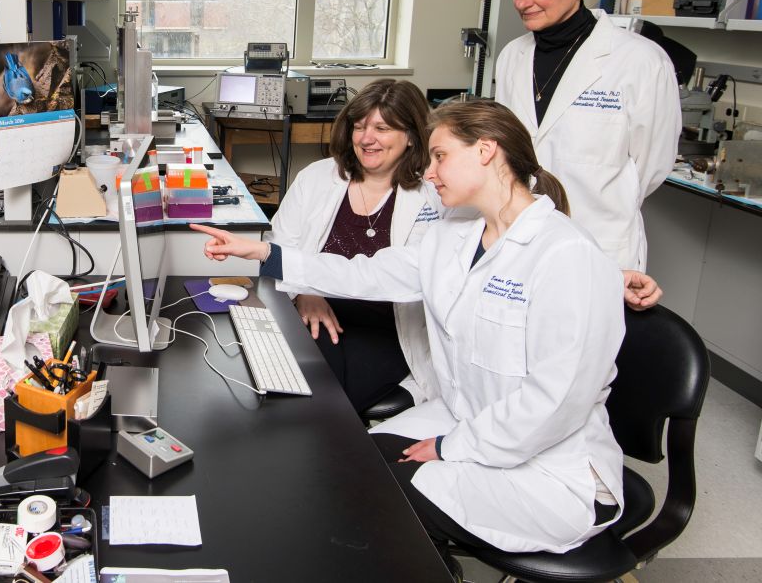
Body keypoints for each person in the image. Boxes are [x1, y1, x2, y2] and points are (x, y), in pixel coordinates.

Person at [191, 101, 663, 559]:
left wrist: (449, 448)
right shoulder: (452, 237)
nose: (429, 171)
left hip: (551, 471)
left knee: (372, 497)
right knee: (344, 462)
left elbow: (553, 403)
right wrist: (262, 254)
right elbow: (365, 273)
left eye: (440, 157)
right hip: (465, 419)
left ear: (486, 150)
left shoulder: (568, 256)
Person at [495, 0, 680, 275]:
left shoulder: (640, 61)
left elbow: (651, 167)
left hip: (599, 243)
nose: (522, 1)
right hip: (520, 236)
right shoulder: (511, 57)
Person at [268, 79, 444, 413]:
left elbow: (415, 275)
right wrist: (307, 292)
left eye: (382, 128)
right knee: (295, 384)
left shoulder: (431, 195)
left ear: (410, 136)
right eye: (360, 126)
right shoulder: (318, 177)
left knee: (319, 399)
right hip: (315, 313)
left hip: (388, 329)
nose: (366, 138)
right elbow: (279, 244)